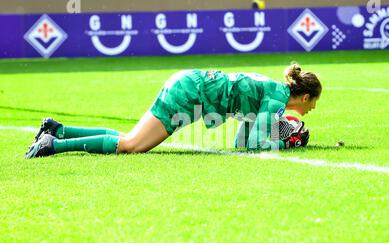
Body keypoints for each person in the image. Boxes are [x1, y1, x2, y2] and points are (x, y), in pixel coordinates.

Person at [25, 64, 321, 158]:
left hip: (188, 82)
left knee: (131, 138)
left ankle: (58, 130)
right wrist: (287, 140)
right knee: (131, 146)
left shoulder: (273, 93)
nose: (312, 110)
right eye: (313, 103)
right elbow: (259, 143)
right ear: (304, 96)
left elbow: (243, 144)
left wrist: (279, 135)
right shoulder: (275, 100)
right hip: (189, 93)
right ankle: (54, 146)